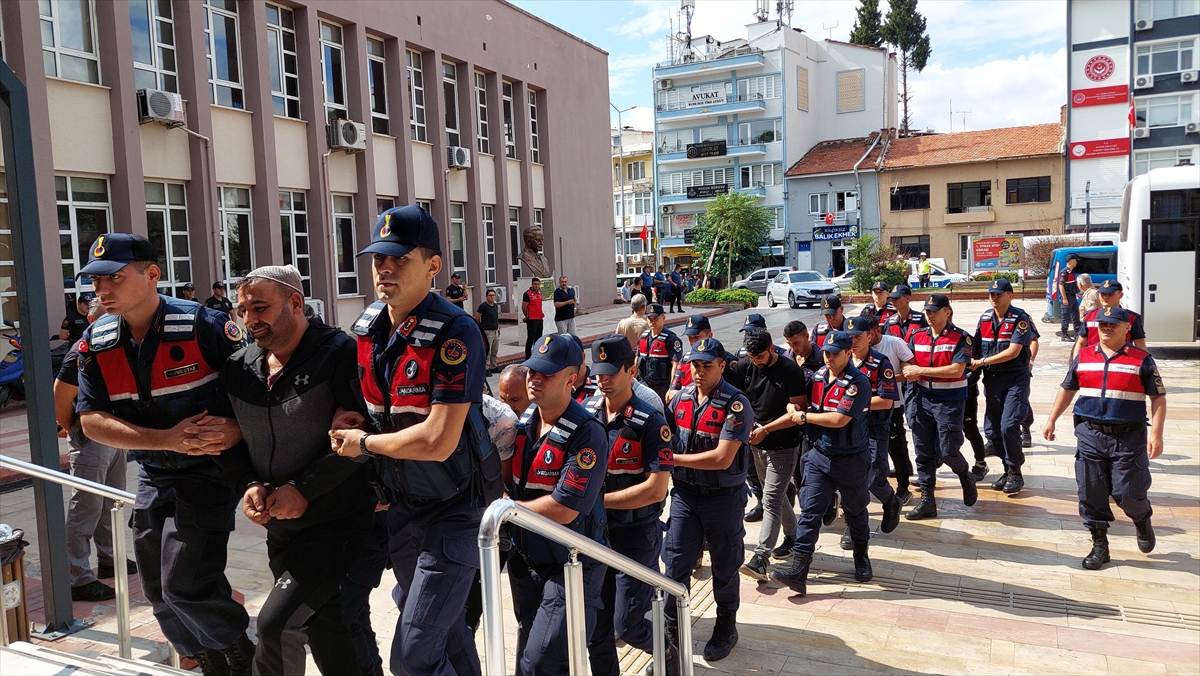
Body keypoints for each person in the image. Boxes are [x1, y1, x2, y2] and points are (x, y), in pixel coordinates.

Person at [328, 204, 503, 676]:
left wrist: (364, 445)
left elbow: (438, 440)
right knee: (447, 639)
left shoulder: (455, 332)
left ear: (432, 265)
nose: (385, 267)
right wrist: (351, 417)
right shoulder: (369, 329)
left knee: (412, 657)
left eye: (400, 258)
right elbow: (372, 406)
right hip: (404, 509)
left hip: (455, 510)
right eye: (378, 257)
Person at [74, 233, 253, 675]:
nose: (102, 291)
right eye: (96, 282)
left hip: (209, 473)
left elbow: (259, 393)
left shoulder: (204, 325)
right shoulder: (96, 340)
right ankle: (215, 662)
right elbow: (91, 420)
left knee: (185, 584)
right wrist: (165, 440)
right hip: (155, 474)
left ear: (152, 274)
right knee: (156, 590)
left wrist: (235, 428)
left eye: (114, 278)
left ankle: (247, 654)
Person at [216, 265, 375, 676]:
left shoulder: (339, 353)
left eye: (260, 308)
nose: (250, 319)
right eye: (243, 310)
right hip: (281, 530)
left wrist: (302, 488)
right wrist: (247, 484)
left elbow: (365, 439)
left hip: (337, 524)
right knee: (327, 627)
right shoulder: (239, 366)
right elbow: (222, 442)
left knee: (276, 625)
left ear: (296, 303)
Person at [508, 334, 609, 676]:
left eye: (546, 374)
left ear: (571, 379)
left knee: (541, 661)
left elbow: (565, 508)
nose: (534, 379)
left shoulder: (587, 433)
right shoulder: (523, 424)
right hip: (528, 559)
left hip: (571, 565)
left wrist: (508, 510)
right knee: (528, 657)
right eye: (532, 371)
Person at [1042, 307, 1166, 570]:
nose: (1106, 329)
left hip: (1128, 436)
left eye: (1112, 325)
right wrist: (1051, 419)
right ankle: (1100, 545)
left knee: (1127, 492)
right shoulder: (1084, 356)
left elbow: (1158, 397)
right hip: (1090, 434)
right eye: (1102, 325)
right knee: (1091, 490)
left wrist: (1156, 433)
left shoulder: (1142, 359)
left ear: (1126, 328)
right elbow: (1068, 388)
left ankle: (1142, 519)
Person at [583, 335, 676, 676]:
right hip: (595, 536)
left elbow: (654, 490)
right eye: (598, 372)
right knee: (596, 626)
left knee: (627, 624)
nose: (602, 379)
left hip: (635, 536)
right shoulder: (586, 416)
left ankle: (667, 652)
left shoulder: (651, 422)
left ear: (632, 370)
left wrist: (595, 502)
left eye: (610, 372)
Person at [663, 338, 753, 663]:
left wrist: (672, 460)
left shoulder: (736, 404)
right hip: (686, 496)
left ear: (722, 366)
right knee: (675, 565)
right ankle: (672, 633)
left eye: (706, 366)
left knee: (725, 566)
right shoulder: (681, 398)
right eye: (695, 365)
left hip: (723, 499)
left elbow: (721, 459)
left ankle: (726, 628)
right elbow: (662, 436)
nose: (699, 372)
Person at [771, 331, 875, 595]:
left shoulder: (858, 382)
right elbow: (798, 405)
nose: (828, 358)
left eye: (835, 353)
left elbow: (840, 419)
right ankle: (799, 571)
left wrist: (804, 417)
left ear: (848, 353)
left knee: (855, 511)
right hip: (819, 457)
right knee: (810, 512)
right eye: (826, 352)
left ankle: (861, 556)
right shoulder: (817, 377)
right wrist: (793, 410)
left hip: (851, 459)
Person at [53, 296, 134, 603]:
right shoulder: (83, 349)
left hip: (114, 433)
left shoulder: (117, 344)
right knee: (86, 505)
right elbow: (61, 392)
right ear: (92, 321)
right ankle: (77, 576)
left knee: (111, 500)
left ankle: (109, 559)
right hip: (91, 436)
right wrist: (70, 426)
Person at [728, 328, 807, 581]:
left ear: (772, 349)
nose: (756, 362)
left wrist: (766, 429)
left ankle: (761, 557)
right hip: (756, 443)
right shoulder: (745, 367)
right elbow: (737, 400)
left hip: (783, 445)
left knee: (771, 499)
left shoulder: (790, 371)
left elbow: (798, 413)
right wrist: (748, 423)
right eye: (752, 358)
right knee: (775, 494)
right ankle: (794, 536)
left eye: (760, 356)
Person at [901, 293, 979, 521]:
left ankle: (965, 473)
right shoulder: (918, 336)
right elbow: (907, 358)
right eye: (927, 311)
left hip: (949, 401)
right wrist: (908, 368)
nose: (930, 315)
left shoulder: (961, 338)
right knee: (923, 452)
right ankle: (928, 501)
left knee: (948, 451)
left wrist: (919, 371)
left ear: (947, 312)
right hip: (922, 399)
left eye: (935, 311)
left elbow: (957, 370)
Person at [970, 279, 1035, 494]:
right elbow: (976, 347)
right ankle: (1007, 469)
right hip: (992, 380)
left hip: (1015, 378)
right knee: (994, 428)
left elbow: (1013, 351)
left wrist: (982, 362)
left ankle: (1016, 471)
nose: (994, 298)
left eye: (999, 294)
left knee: (1009, 425)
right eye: (991, 294)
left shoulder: (1020, 319)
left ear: (1010, 295)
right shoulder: (985, 318)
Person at [843, 316, 902, 548]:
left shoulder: (881, 363)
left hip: (875, 426)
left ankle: (890, 500)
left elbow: (887, 401)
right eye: (849, 338)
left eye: (858, 337)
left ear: (870, 336)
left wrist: (857, 404)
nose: (853, 342)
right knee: (852, 478)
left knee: (875, 475)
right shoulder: (841, 361)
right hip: (848, 427)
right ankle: (853, 524)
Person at [868, 314, 916, 505]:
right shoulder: (856, 349)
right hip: (866, 407)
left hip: (892, 404)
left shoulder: (894, 343)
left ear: (877, 331)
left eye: (868, 335)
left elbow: (912, 370)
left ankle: (903, 487)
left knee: (897, 447)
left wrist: (887, 380)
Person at [1072, 280, 1147, 359]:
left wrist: (1146, 365)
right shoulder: (1089, 316)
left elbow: (1140, 345)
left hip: (1121, 361)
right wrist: (1076, 365)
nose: (1105, 297)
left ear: (1121, 295)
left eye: (1110, 294)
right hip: (1093, 361)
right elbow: (1081, 343)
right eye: (1102, 294)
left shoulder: (1132, 318)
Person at [637, 304, 682, 405]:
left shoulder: (671, 339)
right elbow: (637, 360)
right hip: (643, 386)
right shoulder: (643, 337)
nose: (652, 321)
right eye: (650, 318)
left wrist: (672, 387)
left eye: (656, 318)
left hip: (662, 387)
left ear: (663, 318)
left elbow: (676, 364)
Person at [666, 313, 712, 404]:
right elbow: (671, 392)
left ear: (709, 336)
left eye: (696, 337)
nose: (693, 342)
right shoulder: (685, 360)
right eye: (690, 338)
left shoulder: (719, 360)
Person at [476, 288, 501, 373]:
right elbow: (477, 318)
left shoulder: (495, 306)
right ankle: (485, 368)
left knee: (495, 350)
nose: (492, 297)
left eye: (493, 295)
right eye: (490, 295)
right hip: (487, 331)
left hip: (495, 331)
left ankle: (493, 366)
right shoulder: (483, 306)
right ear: (486, 296)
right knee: (488, 351)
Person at [1058, 252, 1081, 341]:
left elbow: (1072, 284)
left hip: (1073, 297)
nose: (1076, 263)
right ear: (1071, 261)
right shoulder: (1064, 273)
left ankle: (1077, 334)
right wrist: (1064, 298)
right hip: (1067, 297)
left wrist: (1076, 293)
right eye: (1075, 261)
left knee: (1076, 315)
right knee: (1065, 316)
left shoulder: (1072, 272)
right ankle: (1064, 335)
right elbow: (1061, 285)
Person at [522, 277, 545, 359]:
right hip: (532, 320)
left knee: (539, 340)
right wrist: (527, 316)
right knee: (530, 339)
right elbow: (524, 307)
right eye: (535, 284)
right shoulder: (527, 294)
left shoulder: (540, 293)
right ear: (532, 284)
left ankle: (537, 356)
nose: (536, 286)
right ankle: (528, 357)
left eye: (538, 284)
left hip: (539, 318)